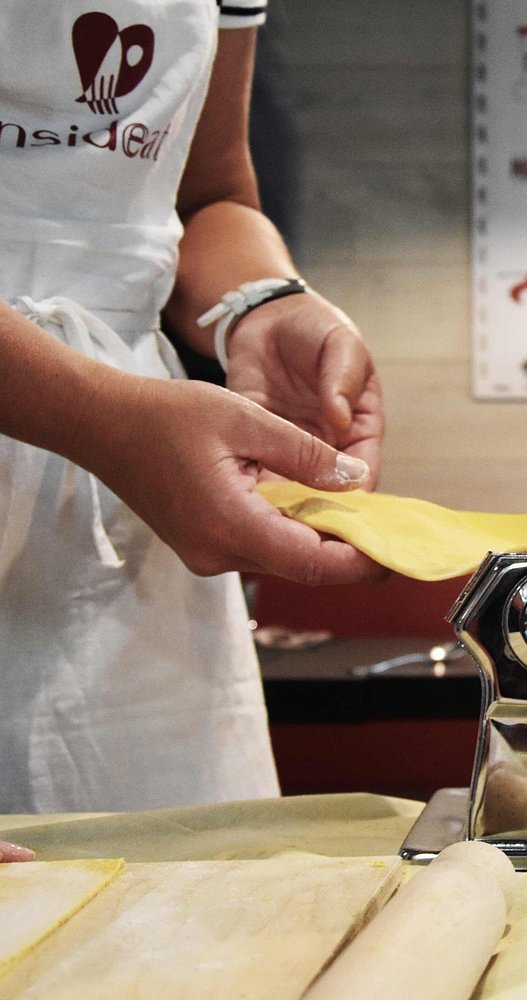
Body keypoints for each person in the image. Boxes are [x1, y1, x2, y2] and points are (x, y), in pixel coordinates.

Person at [0, 0, 385, 816]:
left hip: (128, 508)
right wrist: (94, 417)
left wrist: (266, 302)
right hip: (120, 430)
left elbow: (208, 190)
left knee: (175, 902)